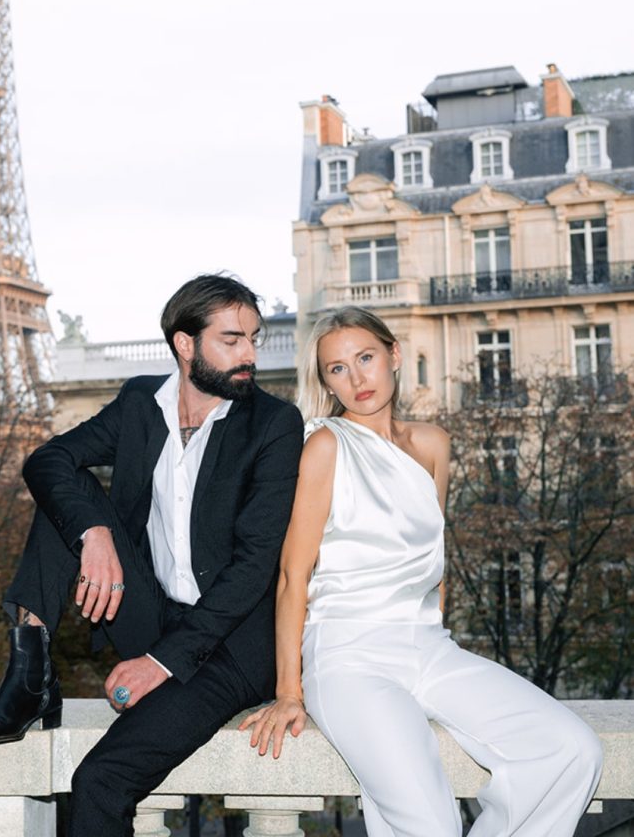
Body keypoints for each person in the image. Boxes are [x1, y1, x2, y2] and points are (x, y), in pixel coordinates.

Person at [0, 274, 303, 837]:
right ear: (184, 345)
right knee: (65, 493)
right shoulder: (142, 402)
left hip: (230, 645)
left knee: (101, 781)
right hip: (151, 611)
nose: (250, 355)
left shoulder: (273, 423)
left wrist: (160, 663)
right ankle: (29, 672)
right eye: (232, 340)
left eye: (254, 339)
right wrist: (95, 532)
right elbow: (46, 459)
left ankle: (38, 679)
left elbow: (254, 567)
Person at [241, 306, 603, 837]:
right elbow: (294, 578)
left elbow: (432, 556)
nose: (357, 378)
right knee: (429, 822)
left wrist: (435, 623)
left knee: (571, 749)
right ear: (326, 382)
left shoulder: (433, 444)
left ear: (394, 355)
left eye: (365, 357)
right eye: (337, 368)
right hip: (349, 655)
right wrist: (290, 691)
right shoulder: (325, 446)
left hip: (430, 647)